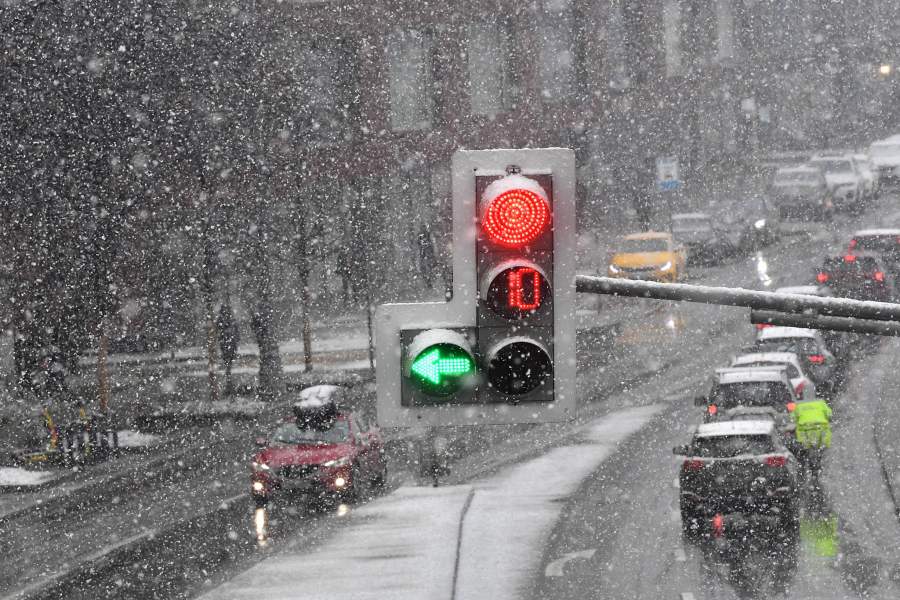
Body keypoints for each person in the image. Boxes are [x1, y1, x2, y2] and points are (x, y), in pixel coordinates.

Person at [791, 398, 833, 478]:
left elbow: (793, 418)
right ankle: (819, 468)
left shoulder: (799, 405)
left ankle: (806, 469)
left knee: (806, 450)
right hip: (821, 429)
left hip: (805, 430)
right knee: (822, 450)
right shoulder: (821, 403)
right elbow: (829, 414)